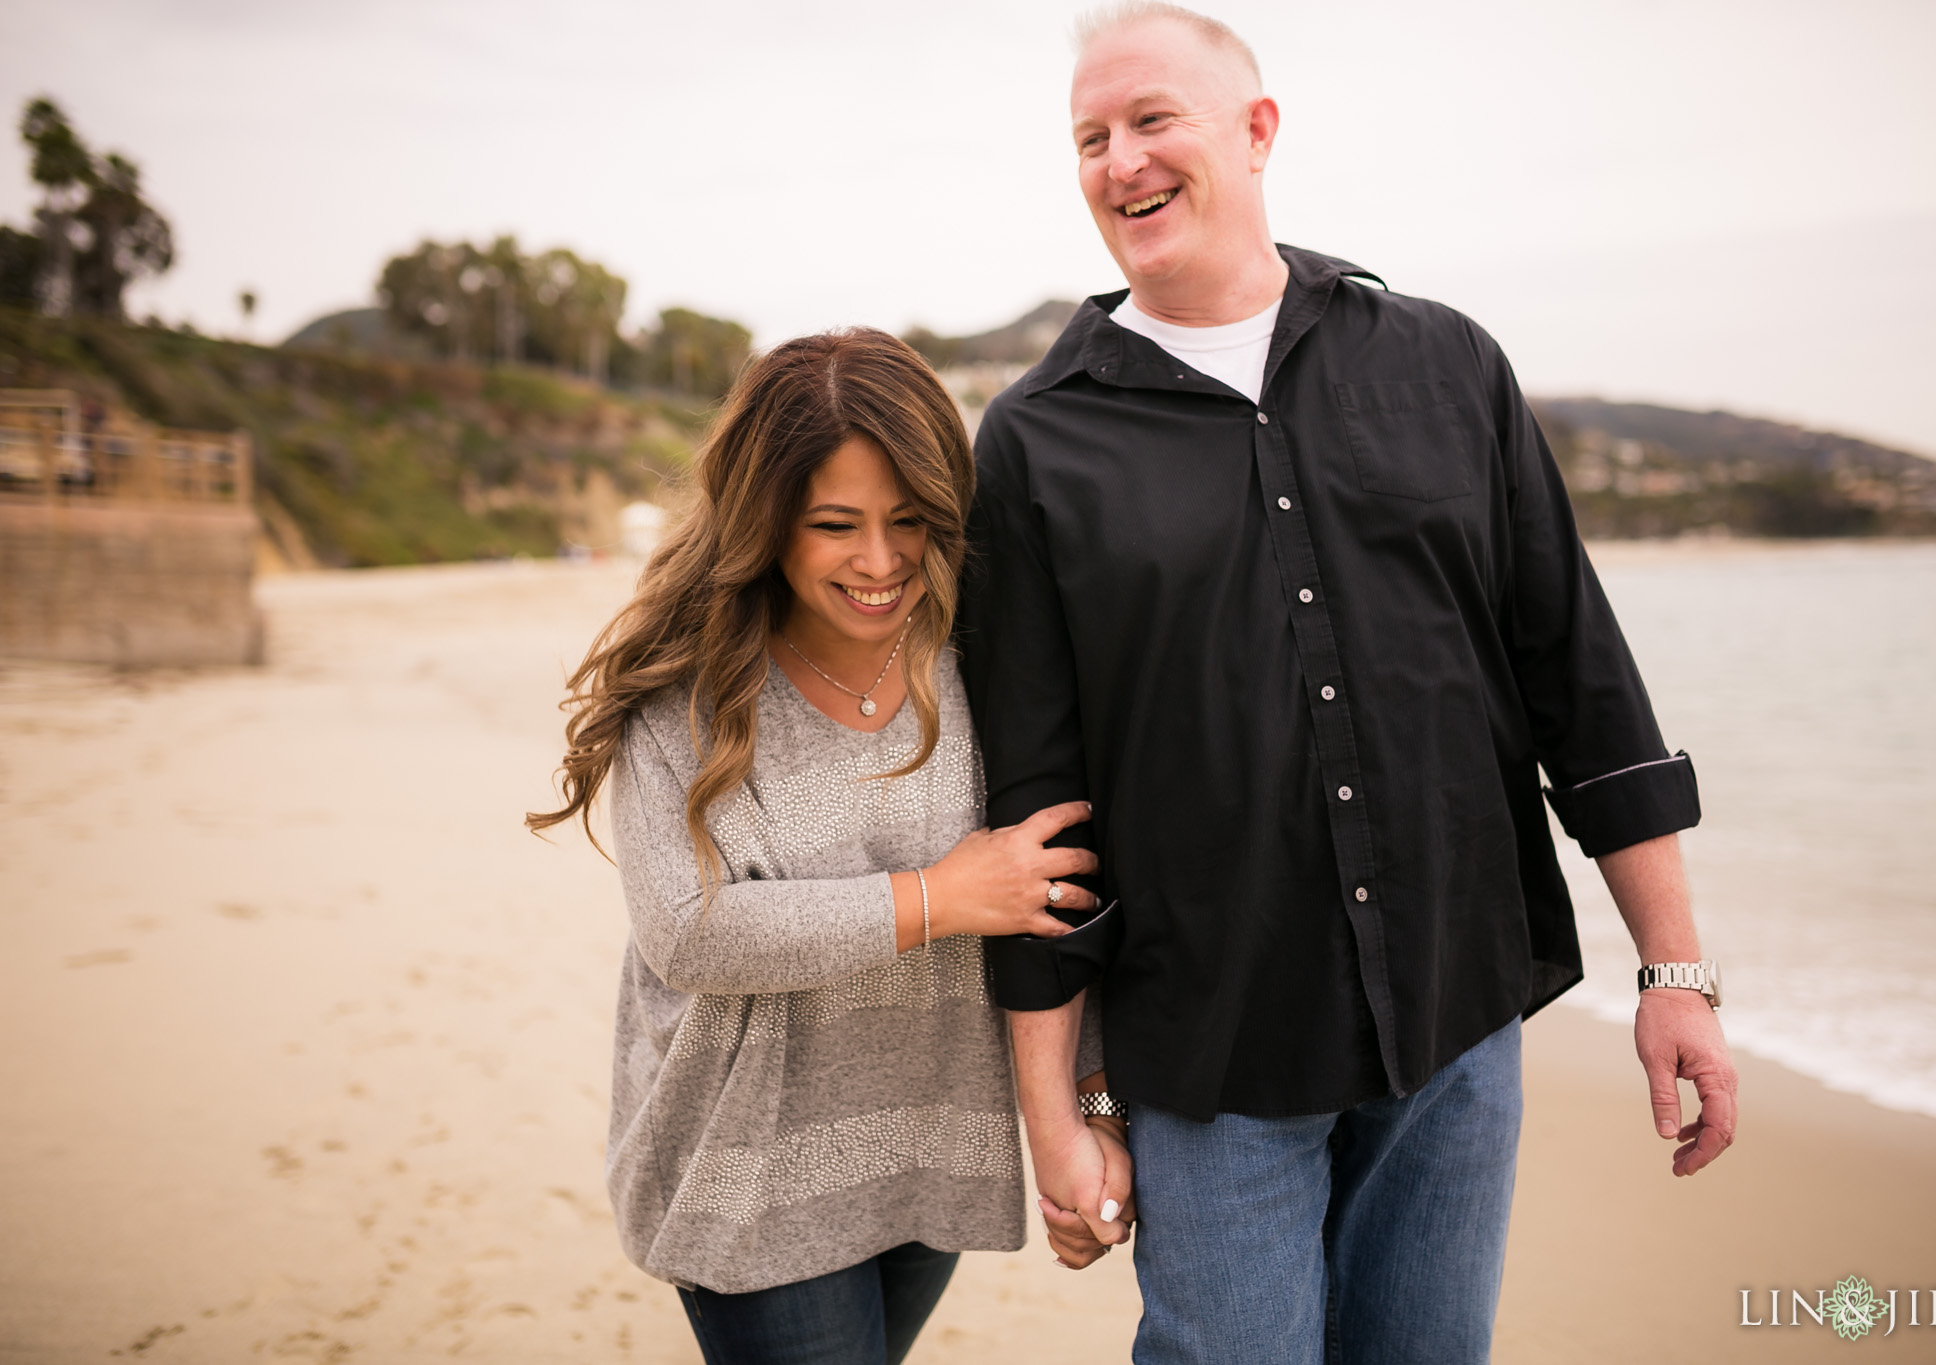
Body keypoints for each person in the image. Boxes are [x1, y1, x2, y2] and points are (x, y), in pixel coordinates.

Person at [959, 4, 1740, 1362]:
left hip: (1455, 1022)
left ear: (1257, 131)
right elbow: (1039, 804)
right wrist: (1057, 1114)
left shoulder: (1444, 365)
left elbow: (1583, 684)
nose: (1118, 160)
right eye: (1089, 137)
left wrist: (1674, 972)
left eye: (1151, 120)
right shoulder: (1034, 442)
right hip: (1213, 1057)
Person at [528, 328, 1103, 1365]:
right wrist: (936, 897)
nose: (880, 563)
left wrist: (1094, 1116)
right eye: (834, 524)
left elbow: (1057, 904)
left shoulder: (984, 657)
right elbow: (689, 932)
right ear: (765, 523)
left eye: (911, 522)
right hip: (747, 1182)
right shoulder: (686, 694)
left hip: (928, 1155)